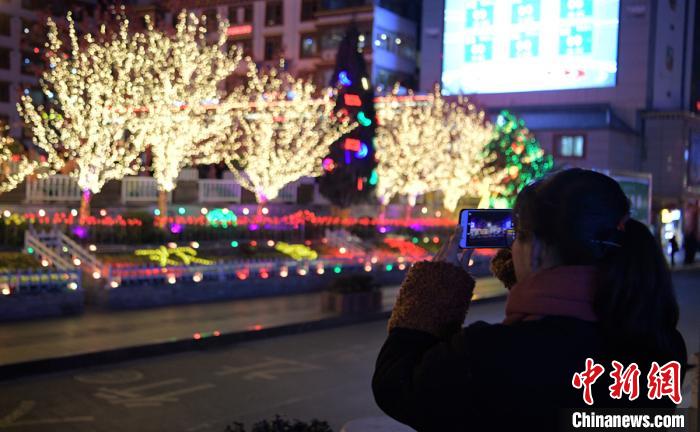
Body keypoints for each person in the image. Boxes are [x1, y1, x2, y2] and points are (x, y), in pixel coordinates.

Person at [372, 168, 687, 431]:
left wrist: (435, 289)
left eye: (518, 236)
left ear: (535, 249)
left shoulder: (487, 355)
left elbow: (396, 383)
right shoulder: (663, 347)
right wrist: (534, 280)